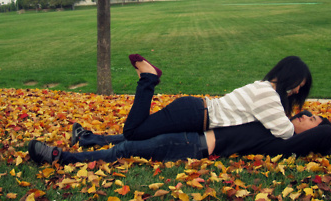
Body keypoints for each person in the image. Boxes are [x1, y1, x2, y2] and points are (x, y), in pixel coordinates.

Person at [28, 110, 331, 165]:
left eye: (311, 120)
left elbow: (322, 137)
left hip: (195, 145)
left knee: (129, 148)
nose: (304, 116)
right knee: (141, 131)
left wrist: (328, 131)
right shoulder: (277, 123)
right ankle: (88, 140)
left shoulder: (288, 142)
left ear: (316, 133)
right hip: (198, 128)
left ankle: (62, 158)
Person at [121, 54, 312, 142]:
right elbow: (285, 132)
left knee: (140, 129)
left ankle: (147, 79)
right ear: (290, 76)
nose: (296, 91)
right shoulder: (268, 95)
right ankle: (148, 78)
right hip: (194, 114)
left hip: (194, 111)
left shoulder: (263, 89)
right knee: (133, 132)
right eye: (298, 85)